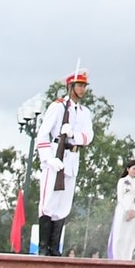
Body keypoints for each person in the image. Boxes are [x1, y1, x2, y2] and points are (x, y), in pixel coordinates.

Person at [36, 66, 96, 256]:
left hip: (72, 158)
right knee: (48, 203)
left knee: (63, 205)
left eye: (84, 86)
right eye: (79, 85)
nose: (82, 89)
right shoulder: (57, 107)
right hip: (55, 155)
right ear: (70, 86)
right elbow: (42, 135)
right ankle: (43, 248)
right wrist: (48, 159)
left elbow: (88, 136)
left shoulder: (84, 112)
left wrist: (73, 135)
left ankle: (54, 248)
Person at [109, 159, 135, 261]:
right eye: (133, 169)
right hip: (122, 209)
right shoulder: (122, 181)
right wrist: (127, 210)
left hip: (133, 210)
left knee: (130, 236)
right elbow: (120, 197)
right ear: (128, 169)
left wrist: (134, 210)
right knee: (119, 234)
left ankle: (127, 258)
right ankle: (116, 257)